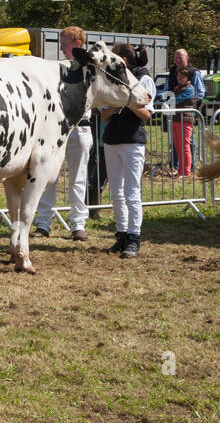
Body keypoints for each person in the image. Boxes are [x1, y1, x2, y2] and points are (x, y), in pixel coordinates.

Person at [34, 26, 92, 240]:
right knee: (49, 177)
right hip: (57, 128)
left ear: (77, 43)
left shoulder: (89, 68)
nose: (60, 45)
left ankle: (78, 223)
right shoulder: (56, 67)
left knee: (78, 177)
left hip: (82, 125)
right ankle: (43, 223)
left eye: (64, 41)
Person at [101, 43, 155, 259]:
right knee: (117, 192)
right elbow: (104, 115)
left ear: (123, 58)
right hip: (112, 138)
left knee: (132, 192)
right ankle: (121, 233)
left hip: (133, 140)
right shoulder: (114, 78)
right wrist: (117, 103)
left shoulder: (143, 78)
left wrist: (126, 101)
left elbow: (147, 114)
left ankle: (134, 236)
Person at [170, 65, 199, 178]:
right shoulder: (178, 87)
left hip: (185, 120)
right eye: (178, 76)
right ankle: (180, 170)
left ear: (188, 78)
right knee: (178, 145)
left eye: (182, 76)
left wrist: (170, 100)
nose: (179, 78)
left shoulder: (190, 89)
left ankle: (186, 171)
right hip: (177, 119)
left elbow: (180, 99)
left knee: (184, 146)